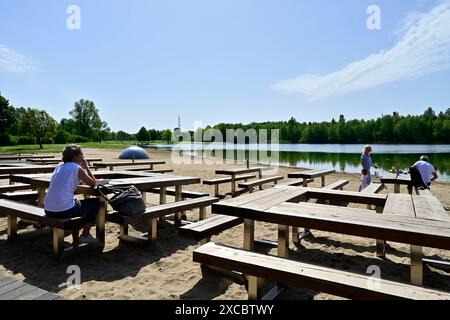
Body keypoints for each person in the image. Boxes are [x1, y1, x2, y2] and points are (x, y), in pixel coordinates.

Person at [44, 145, 100, 244]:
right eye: (81, 155)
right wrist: (87, 167)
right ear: (75, 156)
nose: (83, 157)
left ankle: (77, 237)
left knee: (76, 204)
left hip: (48, 209)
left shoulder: (59, 166)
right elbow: (93, 183)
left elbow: (66, 181)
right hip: (62, 210)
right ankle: (85, 235)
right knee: (96, 203)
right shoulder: (76, 168)